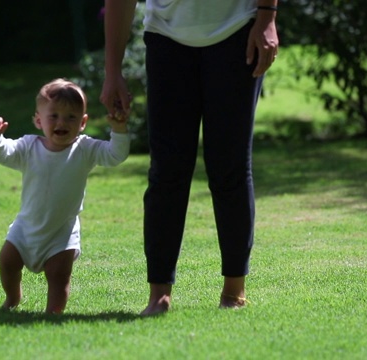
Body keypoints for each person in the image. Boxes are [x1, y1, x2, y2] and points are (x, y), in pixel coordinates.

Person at [100, 0, 279, 315]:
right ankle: (159, 294)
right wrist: (112, 70)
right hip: (166, 39)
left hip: (237, 31)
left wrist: (266, 17)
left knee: (230, 167)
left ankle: (234, 291)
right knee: (167, 171)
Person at [0, 78, 130, 314]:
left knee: (59, 276)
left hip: (62, 231)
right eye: (54, 116)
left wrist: (119, 131)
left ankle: (53, 314)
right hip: (25, 227)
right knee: (7, 262)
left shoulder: (85, 149)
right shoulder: (29, 147)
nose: (62, 122)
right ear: (39, 120)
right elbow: (2, 154)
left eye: (71, 117)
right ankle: (12, 298)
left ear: (83, 122)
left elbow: (114, 155)